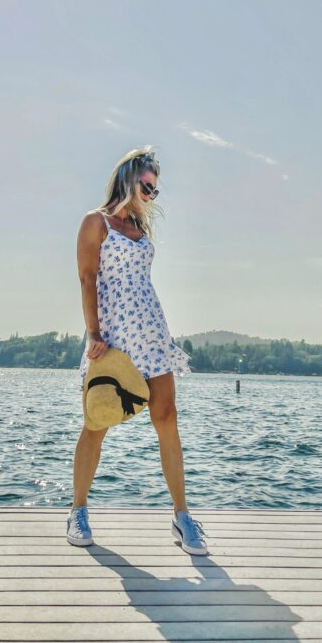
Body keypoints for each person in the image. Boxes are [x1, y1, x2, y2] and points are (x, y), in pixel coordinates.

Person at [68, 146, 208, 555]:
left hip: (151, 332)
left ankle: (182, 517)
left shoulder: (139, 231)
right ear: (129, 178)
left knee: (167, 416)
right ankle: (77, 509)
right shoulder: (96, 222)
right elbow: (87, 278)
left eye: (156, 190)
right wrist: (93, 333)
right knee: (98, 420)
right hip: (112, 335)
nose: (151, 194)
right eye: (148, 185)